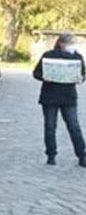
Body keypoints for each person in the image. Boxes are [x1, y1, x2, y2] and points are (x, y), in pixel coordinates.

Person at [32, 33, 86, 166]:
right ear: (61, 43)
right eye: (70, 43)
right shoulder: (49, 55)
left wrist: (81, 78)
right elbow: (36, 73)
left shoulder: (77, 57)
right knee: (50, 127)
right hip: (50, 95)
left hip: (68, 96)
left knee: (74, 126)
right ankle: (51, 154)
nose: (72, 46)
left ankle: (82, 155)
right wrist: (45, 77)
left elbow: (82, 74)